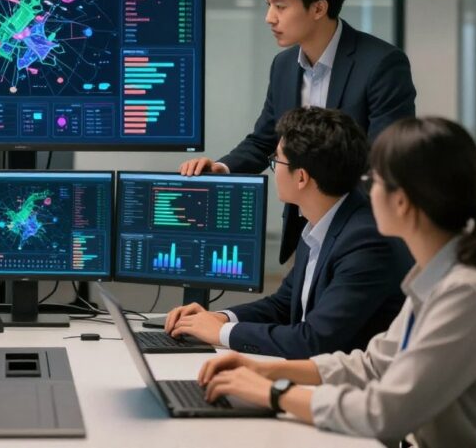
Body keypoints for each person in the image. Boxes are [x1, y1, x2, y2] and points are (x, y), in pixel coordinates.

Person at [199, 117, 476, 447]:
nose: (365, 189)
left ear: (402, 201)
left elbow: (385, 413)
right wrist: (264, 371)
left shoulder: (466, 293)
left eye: (374, 180)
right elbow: (373, 364)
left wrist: (275, 394)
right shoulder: (435, 278)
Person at [180, 0, 417, 263]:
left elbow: (386, 158)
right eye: (269, 5)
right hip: (305, 228)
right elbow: (265, 139)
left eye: (281, 6)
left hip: (362, 231)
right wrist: (222, 169)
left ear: (319, 8)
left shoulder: (381, 63)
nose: (270, 17)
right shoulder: (284, 65)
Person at [165, 107, 410, 358]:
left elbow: (313, 340)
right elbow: (283, 304)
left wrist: (221, 332)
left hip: (344, 389)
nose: (274, 167)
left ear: (301, 177)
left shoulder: (365, 242)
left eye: (276, 160)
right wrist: (218, 317)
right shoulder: (319, 222)